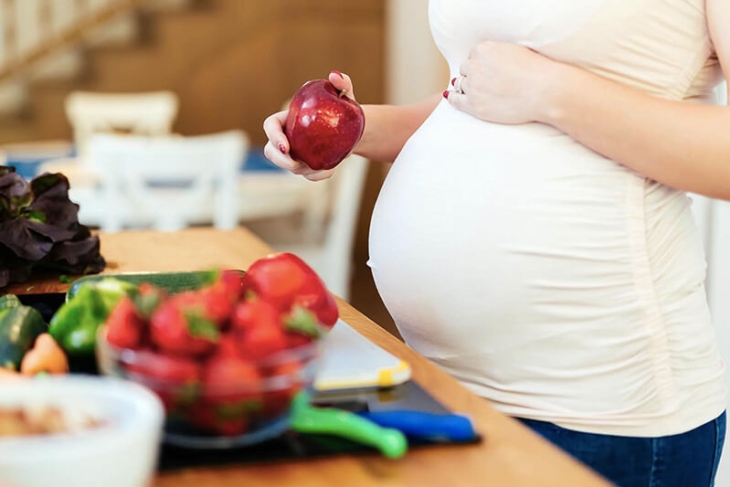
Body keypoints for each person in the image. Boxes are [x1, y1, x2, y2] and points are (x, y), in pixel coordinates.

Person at [263, 1, 730, 485]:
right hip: (441, 385)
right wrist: (351, 127)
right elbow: (472, 102)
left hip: (598, 415)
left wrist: (553, 92)